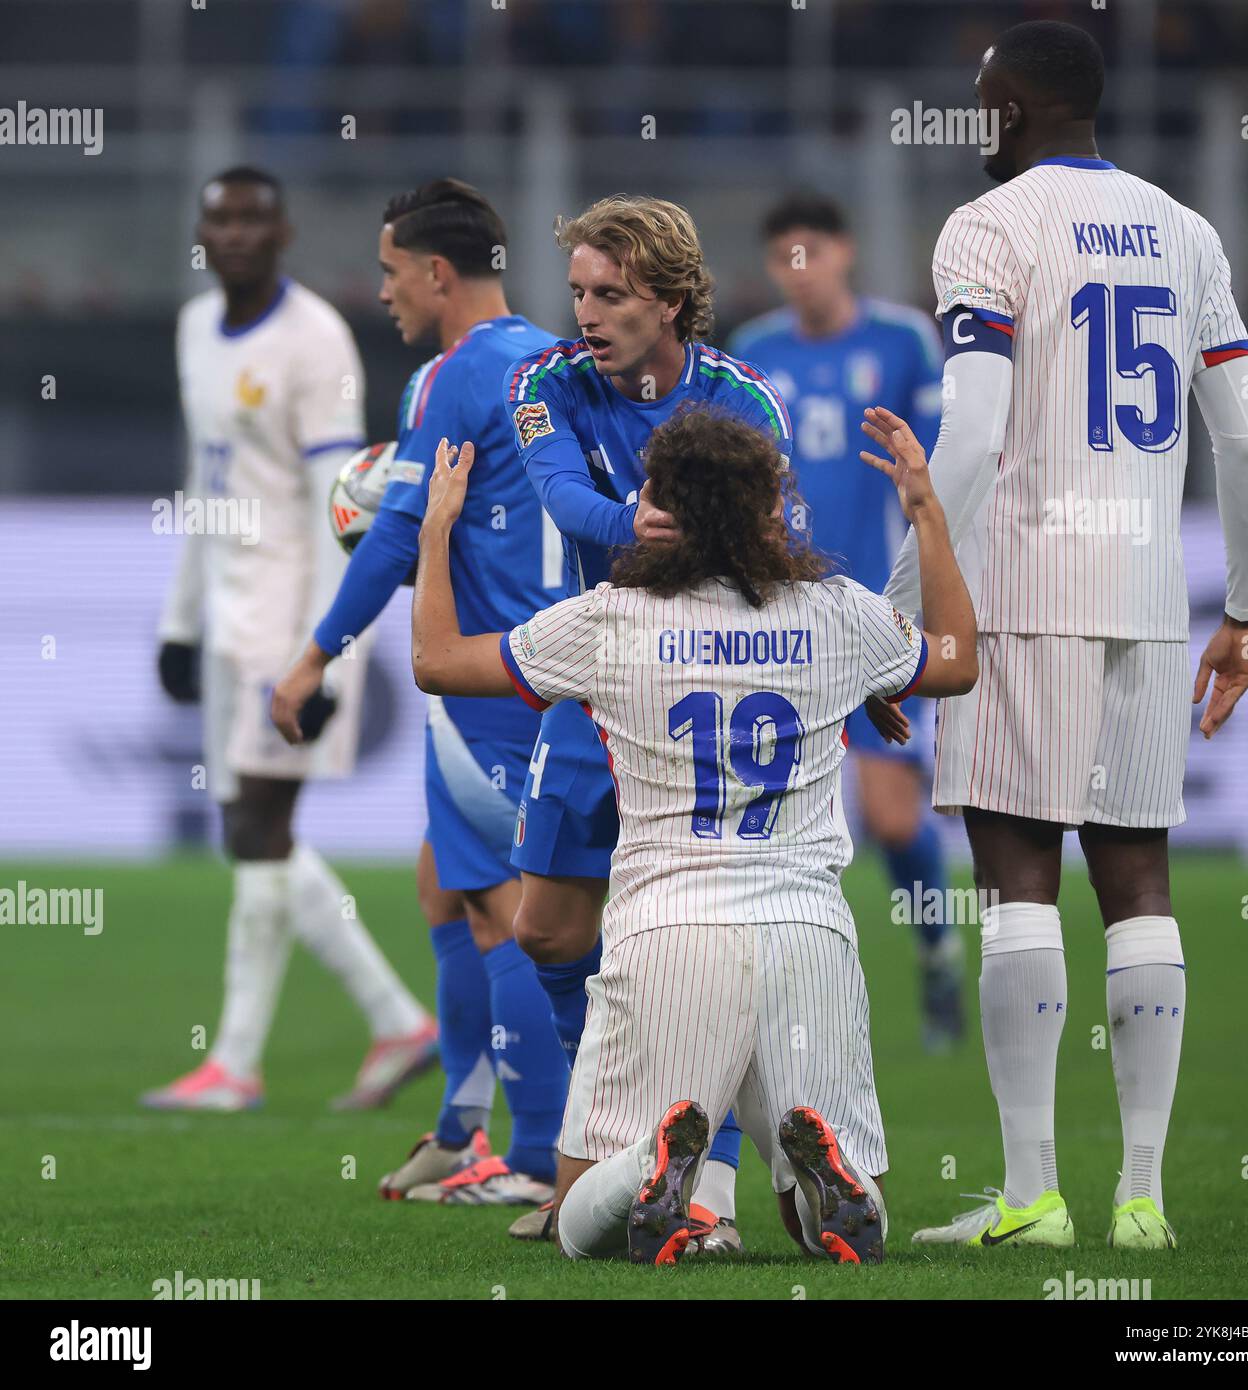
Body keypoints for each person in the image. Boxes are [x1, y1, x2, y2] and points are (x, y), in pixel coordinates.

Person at [407, 403, 977, 1263]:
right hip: (808, 937)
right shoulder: (838, 613)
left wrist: (436, 531)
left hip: (668, 933)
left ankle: (651, 1161)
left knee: (573, 1220)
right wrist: (927, 513)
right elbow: (958, 659)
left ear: (661, 508)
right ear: (767, 509)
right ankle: (826, 1176)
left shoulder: (609, 621)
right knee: (828, 1231)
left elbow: (436, 661)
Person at [874, 21, 1248, 1250]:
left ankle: (1032, 1194)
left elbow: (979, 432)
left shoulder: (986, 230)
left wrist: (900, 604)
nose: (975, 117)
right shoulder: (1187, 231)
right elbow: (1245, 441)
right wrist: (1244, 608)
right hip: (1152, 598)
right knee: (1139, 884)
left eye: (981, 97)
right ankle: (1142, 1198)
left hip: (1020, 594)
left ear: (1013, 106)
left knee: (1017, 881)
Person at [500, 195, 795, 1252]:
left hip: (703, 700)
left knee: (683, 951)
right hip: (600, 683)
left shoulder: (744, 398)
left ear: (669, 300)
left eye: (610, 295)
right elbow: (563, 502)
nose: (585, 311)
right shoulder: (544, 384)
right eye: (578, 290)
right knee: (546, 930)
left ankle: (690, 1179)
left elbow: (778, 539)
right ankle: (635, 1150)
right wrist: (636, 522)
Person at [271, 178, 570, 1206]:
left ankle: (534, 1158)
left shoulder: (451, 376)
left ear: (437, 273)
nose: (384, 291)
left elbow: (399, 535)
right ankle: (459, 1125)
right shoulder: (546, 356)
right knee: (445, 884)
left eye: (393, 273)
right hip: (548, 658)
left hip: (490, 674)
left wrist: (314, 654)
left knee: (505, 913)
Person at [146, 167, 437, 1113]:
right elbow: (207, 480)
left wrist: (324, 648)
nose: (233, 234)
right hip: (227, 620)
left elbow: (336, 505)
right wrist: (181, 621)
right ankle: (397, 1022)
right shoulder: (195, 329)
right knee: (255, 834)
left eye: (251, 220)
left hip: (288, 625)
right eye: (219, 218)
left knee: (257, 828)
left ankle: (235, 1062)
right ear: (202, 231)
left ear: (284, 233)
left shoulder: (314, 339)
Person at [731, 192, 964, 1051]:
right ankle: (772, 1008)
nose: (801, 272)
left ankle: (937, 952)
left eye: (813, 253)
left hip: (874, 613)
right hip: (776, 618)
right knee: (771, 832)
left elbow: (933, 471)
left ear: (845, 253)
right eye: (784, 257)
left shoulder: (902, 340)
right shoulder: (753, 355)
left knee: (896, 822)